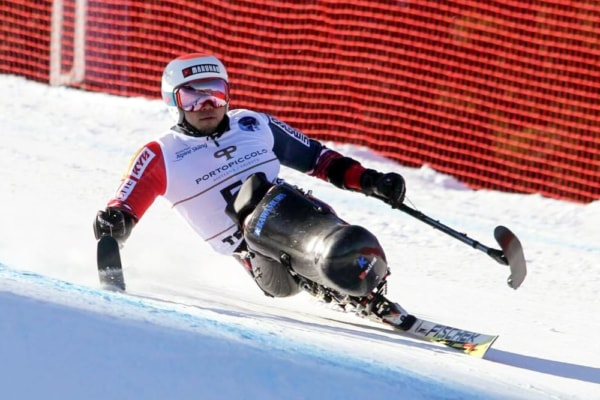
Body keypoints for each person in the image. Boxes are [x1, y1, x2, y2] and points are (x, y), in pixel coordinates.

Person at [93, 53, 407, 323]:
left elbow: (318, 158)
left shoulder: (253, 124)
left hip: (306, 227)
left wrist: (370, 180)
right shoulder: (162, 153)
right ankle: (338, 276)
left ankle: (358, 278)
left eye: (215, 94)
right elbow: (123, 206)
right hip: (262, 261)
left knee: (288, 198)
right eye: (192, 97)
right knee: (259, 202)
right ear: (173, 102)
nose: (207, 106)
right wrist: (114, 224)